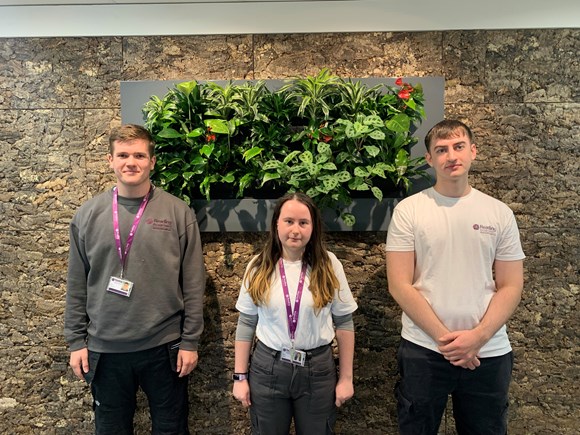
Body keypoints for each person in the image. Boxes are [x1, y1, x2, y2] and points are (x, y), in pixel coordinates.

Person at [386, 119, 525, 435]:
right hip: (424, 350)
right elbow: (399, 284)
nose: (451, 156)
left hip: (487, 352)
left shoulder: (499, 213)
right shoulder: (409, 211)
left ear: (473, 151)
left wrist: (477, 337)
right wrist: (444, 340)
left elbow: (511, 285)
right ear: (429, 159)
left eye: (459, 146)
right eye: (441, 150)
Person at [64, 124, 206, 435]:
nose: (132, 162)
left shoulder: (178, 213)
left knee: (172, 429)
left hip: (165, 347)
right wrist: (76, 341)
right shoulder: (87, 215)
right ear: (110, 160)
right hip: (105, 349)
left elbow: (194, 283)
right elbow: (76, 284)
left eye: (140, 155)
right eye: (124, 154)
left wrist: (191, 340)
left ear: (152, 161)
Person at [232, 192, 358, 434]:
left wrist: (346, 378)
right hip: (268, 369)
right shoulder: (258, 266)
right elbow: (247, 323)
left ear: (313, 227)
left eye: (303, 222)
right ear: (276, 223)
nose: (295, 230)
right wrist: (240, 377)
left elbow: (344, 323)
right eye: (289, 221)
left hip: (317, 371)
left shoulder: (329, 265)